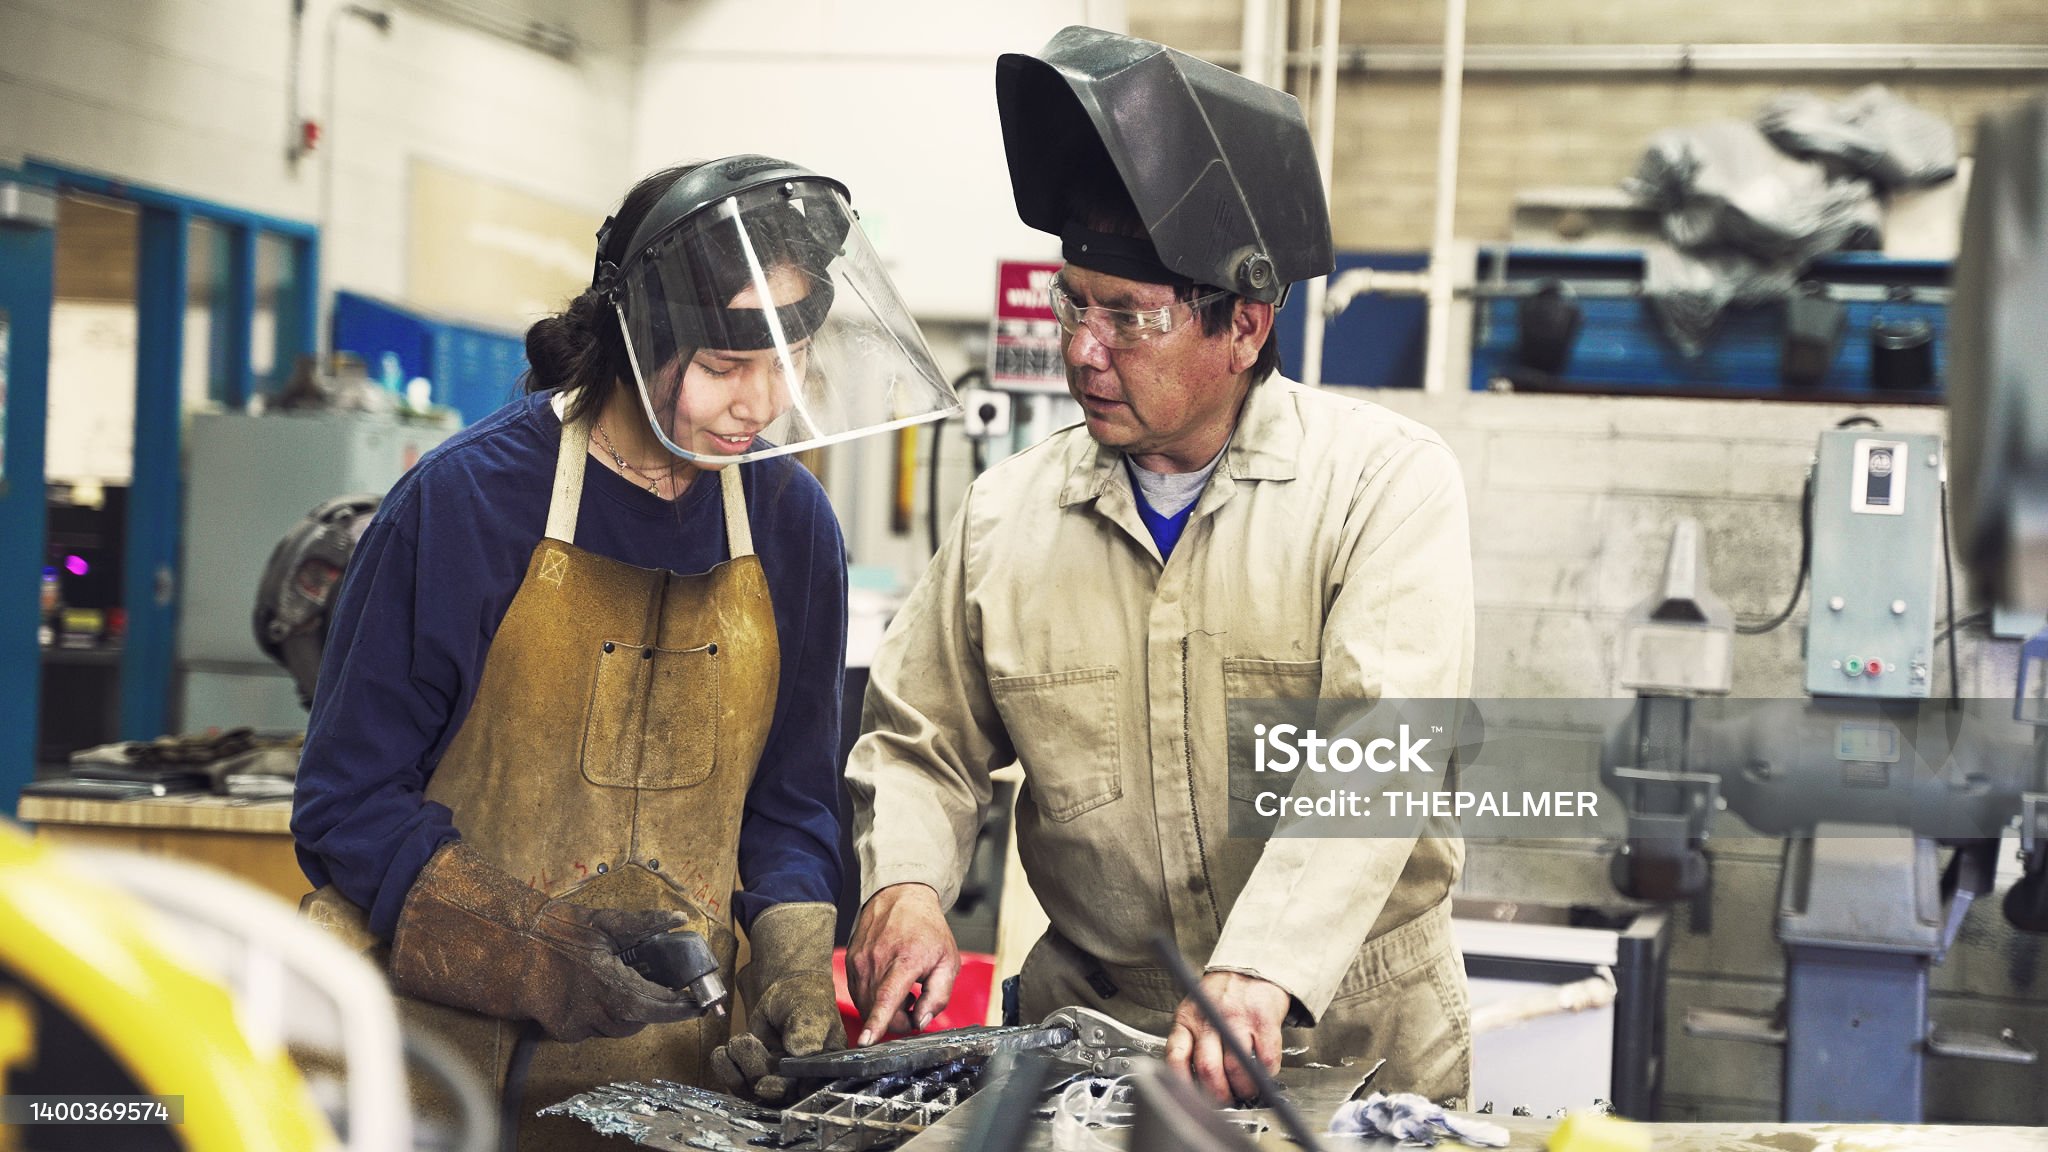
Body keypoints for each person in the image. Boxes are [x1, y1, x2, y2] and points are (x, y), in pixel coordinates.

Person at [845, 27, 1476, 1107]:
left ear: (1244, 325)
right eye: (1071, 302)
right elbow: (923, 738)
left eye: (1127, 317)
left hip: (1354, 1039)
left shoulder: (1381, 486)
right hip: (1091, 1042)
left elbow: (1378, 748)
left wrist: (1263, 966)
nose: (1083, 349)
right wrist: (903, 886)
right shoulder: (1006, 516)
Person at [291, 156, 958, 1145]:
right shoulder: (470, 502)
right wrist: (528, 945)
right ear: (635, 342)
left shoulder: (789, 527)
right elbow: (346, 805)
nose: (761, 404)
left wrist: (786, 955)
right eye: (727, 367)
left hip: (660, 1092)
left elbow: (789, 802)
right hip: (428, 1073)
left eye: (790, 361)